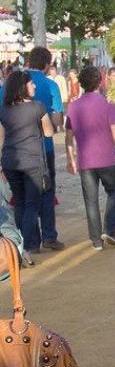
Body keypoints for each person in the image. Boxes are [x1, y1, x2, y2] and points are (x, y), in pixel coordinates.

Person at [64, 65, 115, 250]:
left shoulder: (74, 107)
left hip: (85, 160)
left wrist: (70, 158)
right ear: (100, 81)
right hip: (107, 158)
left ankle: (96, 240)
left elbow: (69, 136)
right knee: (114, 191)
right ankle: (109, 229)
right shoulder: (108, 105)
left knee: (91, 199)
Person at [0, 70, 54, 258]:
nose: (35, 86)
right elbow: (48, 132)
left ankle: (23, 244)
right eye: (31, 83)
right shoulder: (37, 107)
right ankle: (27, 247)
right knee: (32, 204)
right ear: (23, 87)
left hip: (10, 161)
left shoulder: (4, 110)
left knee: (20, 202)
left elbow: (1, 138)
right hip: (32, 162)